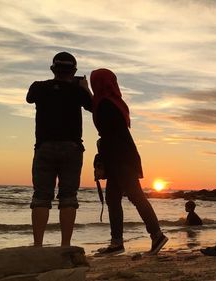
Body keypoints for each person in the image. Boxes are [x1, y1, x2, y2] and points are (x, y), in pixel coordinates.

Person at [91, 68, 167, 255]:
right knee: (113, 199)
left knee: (135, 196)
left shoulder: (105, 104)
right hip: (123, 156)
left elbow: (110, 137)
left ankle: (156, 235)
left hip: (119, 158)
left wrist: (102, 163)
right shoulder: (114, 102)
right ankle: (117, 242)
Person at [27, 52, 92, 247]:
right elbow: (94, 106)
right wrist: (84, 88)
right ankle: (65, 246)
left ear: (53, 69)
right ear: (73, 71)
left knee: (40, 197)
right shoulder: (77, 92)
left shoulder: (39, 87)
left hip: (45, 147)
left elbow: (30, 98)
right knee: (68, 197)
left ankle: (38, 245)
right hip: (71, 147)